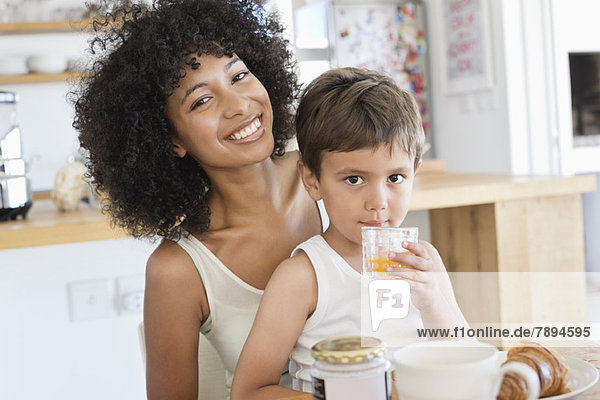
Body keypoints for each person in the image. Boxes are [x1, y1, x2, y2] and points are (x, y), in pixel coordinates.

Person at [72, 0, 323, 398]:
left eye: (239, 76)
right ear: (170, 140)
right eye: (202, 101)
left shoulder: (335, 178)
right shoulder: (179, 271)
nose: (240, 105)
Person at [231, 67, 469, 399]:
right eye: (354, 179)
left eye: (395, 178)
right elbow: (249, 392)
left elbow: (467, 361)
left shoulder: (424, 261)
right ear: (313, 180)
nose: (378, 203)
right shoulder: (304, 277)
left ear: (415, 173)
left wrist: (431, 301)